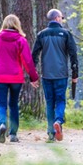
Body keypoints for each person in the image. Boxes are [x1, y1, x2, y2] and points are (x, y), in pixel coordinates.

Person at [0, 14, 39, 143]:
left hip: (0, 76)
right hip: (16, 77)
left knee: (2, 104)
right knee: (14, 105)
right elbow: (28, 61)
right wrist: (33, 77)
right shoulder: (21, 40)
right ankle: (13, 134)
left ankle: (2, 124)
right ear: (17, 25)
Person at [32, 9, 78, 142]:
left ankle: (51, 133)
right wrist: (75, 74)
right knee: (60, 100)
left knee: (49, 102)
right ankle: (58, 120)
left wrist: (33, 75)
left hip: (47, 75)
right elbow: (73, 55)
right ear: (57, 18)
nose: (62, 20)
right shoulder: (66, 34)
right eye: (62, 18)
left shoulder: (42, 34)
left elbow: (34, 55)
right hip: (61, 74)